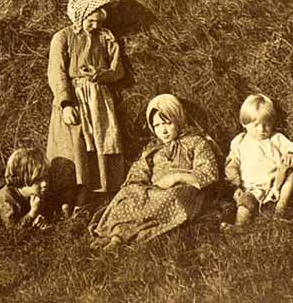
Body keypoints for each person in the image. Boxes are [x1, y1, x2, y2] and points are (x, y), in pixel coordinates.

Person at [89, 94, 219, 251]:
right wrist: (138, 185)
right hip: (154, 188)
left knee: (172, 197)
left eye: (167, 123)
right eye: (157, 126)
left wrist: (176, 177)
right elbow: (139, 169)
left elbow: (209, 172)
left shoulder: (196, 142)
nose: (162, 131)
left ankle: (123, 238)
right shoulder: (153, 148)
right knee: (129, 193)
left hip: (183, 188)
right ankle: (115, 233)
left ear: (178, 119)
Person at [46, 0, 126, 217]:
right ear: (80, 13)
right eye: (91, 20)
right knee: (75, 146)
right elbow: (56, 72)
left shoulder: (105, 38)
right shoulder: (63, 38)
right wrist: (65, 103)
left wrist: (101, 74)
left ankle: (94, 197)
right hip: (75, 99)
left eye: (100, 22)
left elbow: (118, 70)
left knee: (101, 143)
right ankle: (67, 200)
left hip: (98, 99)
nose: (96, 25)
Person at [223, 94, 293, 227]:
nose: (262, 129)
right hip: (252, 189)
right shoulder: (239, 141)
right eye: (256, 125)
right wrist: (235, 185)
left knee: (290, 170)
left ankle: (280, 208)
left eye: (266, 124)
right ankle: (239, 228)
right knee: (244, 206)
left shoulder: (277, 138)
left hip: (276, 186)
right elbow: (231, 165)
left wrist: (291, 154)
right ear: (244, 123)